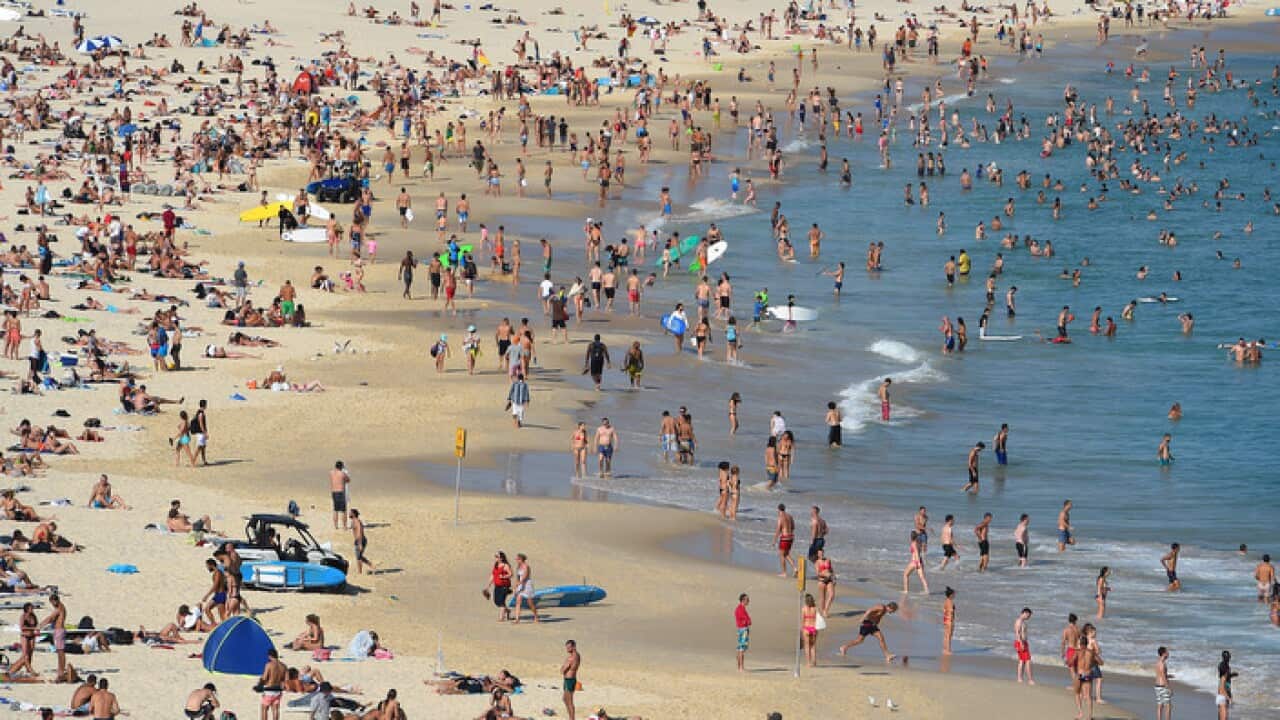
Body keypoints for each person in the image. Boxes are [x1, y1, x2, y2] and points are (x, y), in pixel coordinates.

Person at [39, 594, 68, 680]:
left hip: (59, 631)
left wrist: (40, 626)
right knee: (59, 652)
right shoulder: (61, 607)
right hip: (58, 631)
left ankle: (61, 670)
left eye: (52, 602)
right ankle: (60, 669)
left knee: (60, 652)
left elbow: (50, 619)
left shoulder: (59, 609)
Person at [258, 649, 287, 720]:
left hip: (269, 690)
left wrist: (260, 683)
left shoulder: (269, 665)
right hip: (277, 690)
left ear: (270, 656)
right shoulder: (284, 666)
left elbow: (264, 677)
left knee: (264, 708)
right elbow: (286, 680)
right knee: (275, 709)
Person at [513, 553, 540, 623]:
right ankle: (517, 619)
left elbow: (525, 576)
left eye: (518, 559)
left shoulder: (526, 566)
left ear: (521, 559)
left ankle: (536, 616)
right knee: (518, 601)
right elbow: (518, 577)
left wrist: (519, 583)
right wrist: (516, 585)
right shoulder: (518, 567)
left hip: (527, 585)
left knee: (530, 603)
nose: (516, 560)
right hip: (520, 585)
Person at [773, 504, 796, 576]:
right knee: (786, 554)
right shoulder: (790, 516)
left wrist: (774, 540)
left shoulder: (780, 517)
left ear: (778, 509)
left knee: (782, 555)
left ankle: (784, 572)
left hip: (784, 538)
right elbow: (793, 527)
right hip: (791, 537)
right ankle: (795, 568)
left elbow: (778, 529)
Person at [350, 509, 376, 574]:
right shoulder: (353, 521)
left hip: (360, 540)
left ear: (354, 514)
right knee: (359, 556)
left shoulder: (357, 522)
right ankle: (370, 565)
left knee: (358, 557)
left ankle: (360, 572)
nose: (349, 514)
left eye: (350, 513)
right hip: (358, 540)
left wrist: (360, 543)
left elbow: (360, 533)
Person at [1014, 608, 1035, 684]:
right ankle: (1029, 679)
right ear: (1025, 613)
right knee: (1027, 660)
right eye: (1028, 616)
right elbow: (1017, 633)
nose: (1029, 617)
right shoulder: (1019, 621)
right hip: (1020, 642)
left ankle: (1020, 678)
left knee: (1022, 661)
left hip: (1023, 642)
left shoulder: (1022, 622)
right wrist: (1021, 643)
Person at [561, 640, 581, 720]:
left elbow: (563, 670)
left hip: (569, 680)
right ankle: (571, 717)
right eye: (567, 647)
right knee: (565, 699)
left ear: (573, 647)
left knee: (569, 701)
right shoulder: (577, 655)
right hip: (571, 679)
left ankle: (572, 718)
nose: (567, 649)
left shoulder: (571, 658)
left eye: (569, 647)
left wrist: (562, 667)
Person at [330, 461, 351, 530]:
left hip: (333, 492)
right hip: (340, 492)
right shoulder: (342, 473)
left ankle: (335, 526)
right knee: (343, 510)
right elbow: (348, 480)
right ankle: (344, 526)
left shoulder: (331, 473)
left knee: (335, 510)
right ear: (341, 467)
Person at [801, 593, 820, 667]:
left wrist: (802, 630)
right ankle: (814, 661)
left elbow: (803, 620)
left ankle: (808, 663)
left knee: (807, 646)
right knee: (813, 646)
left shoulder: (804, 609)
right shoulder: (815, 608)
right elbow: (818, 619)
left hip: (806, 628)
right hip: (814, 627)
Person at [1216, 651, 1237, 720]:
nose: (1228, 659)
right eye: (1227, 657)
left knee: (1223, 713)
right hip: (1224, 690)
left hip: (1224, 689)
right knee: (1224, 714)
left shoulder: (1224, 665)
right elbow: (1223, 678)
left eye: (1228, 657)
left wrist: (1231, 675)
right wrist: (1228, 697)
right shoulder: (1223, 666)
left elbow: (1225, 676)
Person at [1154, 646, 1173, 720]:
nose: (1168, 653)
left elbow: (1160, 674)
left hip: (1157, 686)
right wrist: (1169, 688)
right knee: (1168, 706)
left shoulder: (1158, 662)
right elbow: (1163, 677)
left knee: (1160, 705)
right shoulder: (1162, 663)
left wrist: (1168, 675)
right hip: (1163, 686)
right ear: (1164, 653)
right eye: (1167, 652)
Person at [734, 593, 751, 672]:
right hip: (743, 629)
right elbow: (743, 620)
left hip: (742, 629)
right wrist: (747, 622)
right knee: (742, 648)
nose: (748, 601)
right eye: (747, 600)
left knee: (740, 648)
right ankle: (741, 667)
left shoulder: (741, 608)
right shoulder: (740, 609)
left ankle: (740, 667)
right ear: (743, 600)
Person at [942, 587, 956, 655]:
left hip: (945, 619)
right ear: (951, 595)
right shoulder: (950, 602)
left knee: (946, 635)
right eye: (954, 594)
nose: (954, 595)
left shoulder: (945, 601)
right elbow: (951, 611)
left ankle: (944, 649)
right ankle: (948, 650)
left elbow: (944, 610)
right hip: (949, 620)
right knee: (949, 636)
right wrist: (951, 621)